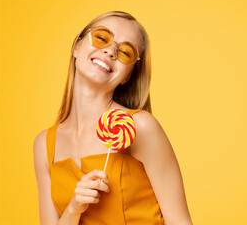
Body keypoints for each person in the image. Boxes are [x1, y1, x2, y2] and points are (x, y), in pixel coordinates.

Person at [33, 11, 193, 225]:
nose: (110, 51)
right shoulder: (44, 144)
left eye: (125, 52)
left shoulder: (140, 127)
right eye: (101, 38)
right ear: (77, 46)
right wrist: (74, 208)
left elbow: (180, 222)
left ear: (128, 75)